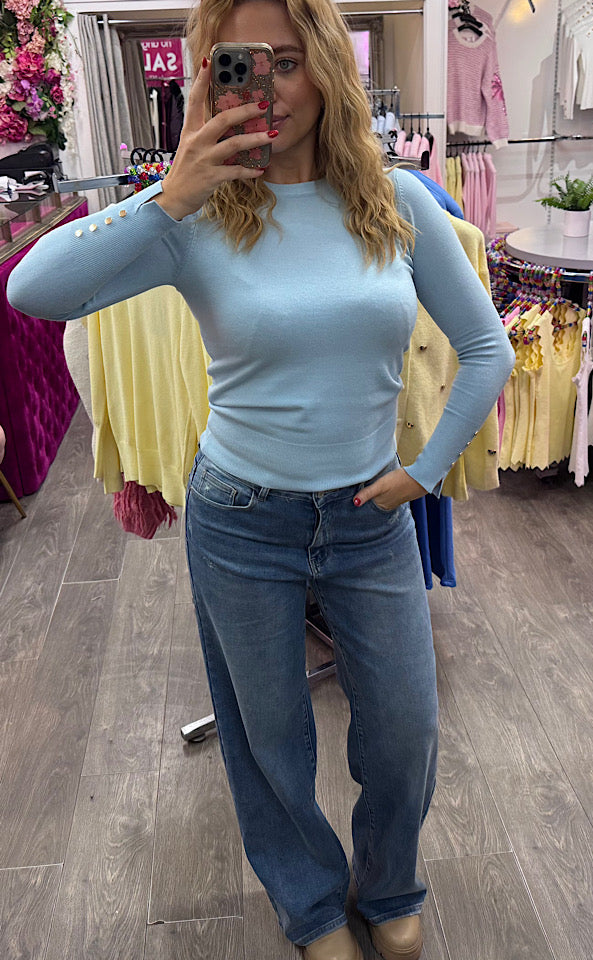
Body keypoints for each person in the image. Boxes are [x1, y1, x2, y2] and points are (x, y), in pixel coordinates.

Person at [7, 0, 514, 957]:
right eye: (241, 63)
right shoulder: (194, 218)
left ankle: (389, 881)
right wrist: (170, 193)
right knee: (269, 737)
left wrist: (425, 471)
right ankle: (312, 903)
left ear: (327, 66)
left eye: (288, 60)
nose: (268, 86)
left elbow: (488, 349)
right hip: (241, 519)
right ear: (208, 75)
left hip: (369, 519)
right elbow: (31, 291)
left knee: (405, 729)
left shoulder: (397, 203)